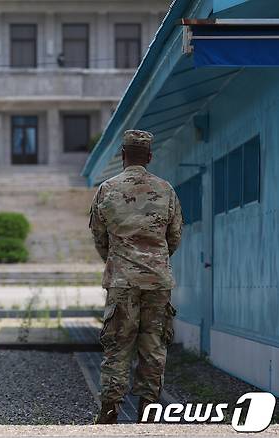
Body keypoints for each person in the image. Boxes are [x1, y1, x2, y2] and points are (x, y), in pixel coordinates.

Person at [89, 130, 183, 424]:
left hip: (122, 281)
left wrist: (117, 261)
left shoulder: (107, 189)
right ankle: (148, 409)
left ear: (123, 156)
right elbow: (175, 235)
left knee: (118, 344)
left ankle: (109, 410)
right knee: (154, 344)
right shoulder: (165, 190)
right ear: (150, 157)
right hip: (157, 281)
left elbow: (99, 236)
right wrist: (154, 260)